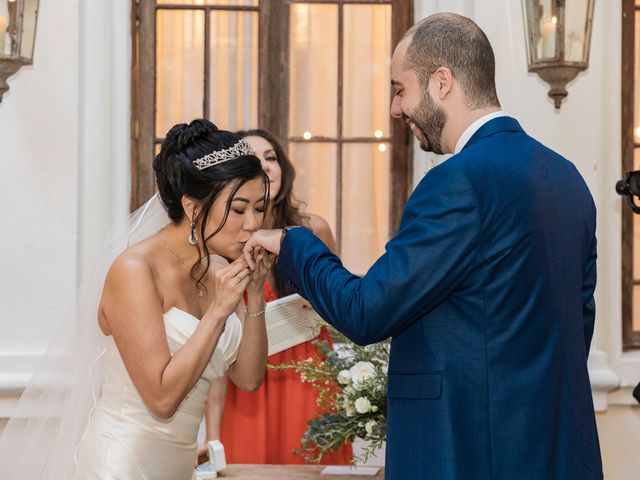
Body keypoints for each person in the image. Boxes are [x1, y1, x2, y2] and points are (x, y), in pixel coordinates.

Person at [242, 13, 603, 480]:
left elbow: (366, 310)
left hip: (470, 452)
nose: (395, 109)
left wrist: (293, 243)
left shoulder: (456, 183)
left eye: (400, 89)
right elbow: (578, 321)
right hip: (557, 451)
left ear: (442, 82)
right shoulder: (568, 178)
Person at [0, 119, 273, 479]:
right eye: (239, 209)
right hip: (121, 466)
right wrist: (218, 313)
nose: (253, 223)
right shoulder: (134, 270)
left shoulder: (216, 271)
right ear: (193, 208)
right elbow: (161, 400)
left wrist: (254, 295)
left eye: (259, 207)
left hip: (179, 468)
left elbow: (249, 379)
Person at [200, 129, 353, 465]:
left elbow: (342, 304)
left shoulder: (313, 230)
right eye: (255, 160)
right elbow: (216, 349)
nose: (266, 166)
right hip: (249, 385)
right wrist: (212, 437)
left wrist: (322, 301)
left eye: (271, 157)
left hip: (310, 374)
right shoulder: (222, 247)